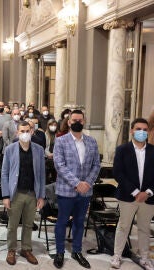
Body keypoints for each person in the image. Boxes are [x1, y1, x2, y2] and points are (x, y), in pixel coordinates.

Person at [52, 110, 100, 269]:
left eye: (80, 119)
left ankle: (77, 251)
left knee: (79, 222)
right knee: (62, 222)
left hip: (85, 190)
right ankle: (60, 252)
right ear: (69, 122)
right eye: (74, 120)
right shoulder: (61, 141)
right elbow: (59, 165)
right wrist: (76, 183)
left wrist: (87, 182)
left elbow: (96, 165)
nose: (77, 122)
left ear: (84, 121)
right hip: (66, 190)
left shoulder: (92, 141)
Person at [111, 118, 154, 269]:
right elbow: (118, 173)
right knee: (123, 226)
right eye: (138, 129)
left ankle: (144, 258)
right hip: (128, 196)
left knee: (144, 227)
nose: (141, 132)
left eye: (144, 129)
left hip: (148, 198)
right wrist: (135, 191)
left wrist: (147, 192)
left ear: (148, 132)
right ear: (131, 131)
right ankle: (117, 256)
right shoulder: (122, 149)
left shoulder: (153, 151)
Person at [1, 121, 45, 266]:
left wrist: (41, 195)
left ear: (32, 131)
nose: (25, 133)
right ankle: (11, 249)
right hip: (16, 193)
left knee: (28, 224)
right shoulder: (10, 149)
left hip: (32, 193)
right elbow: (5, 173)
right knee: (12, 225)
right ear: (17, 133)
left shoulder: (39, 150)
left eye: (28, 130)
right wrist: (6, 195)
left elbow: (42, 174)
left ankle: (26, 249)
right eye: (22, 131)